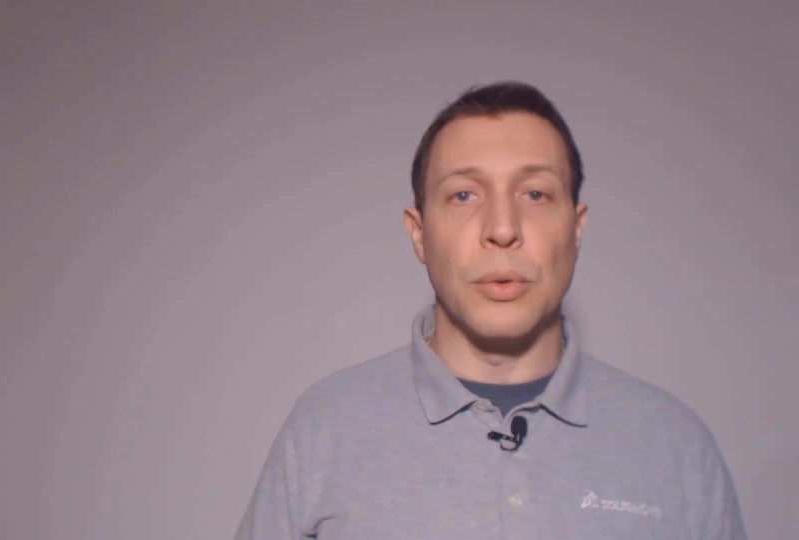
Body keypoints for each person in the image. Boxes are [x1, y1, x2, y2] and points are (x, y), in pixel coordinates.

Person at [234, 81, 747, 539]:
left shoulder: (676, 446)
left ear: (576, 229)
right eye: (463, 194)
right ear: (419, 233)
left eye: (535, 193)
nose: (502, 228)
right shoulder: (325, 429)